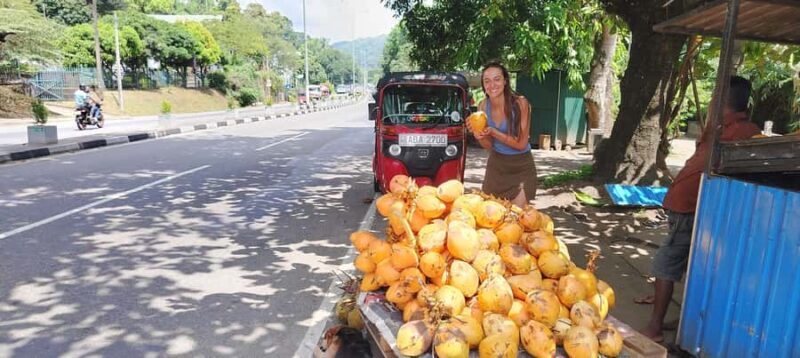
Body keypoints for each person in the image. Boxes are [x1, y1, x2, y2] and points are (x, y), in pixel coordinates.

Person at [638, 76, 761, 342]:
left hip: (691, 209)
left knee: (665, 264)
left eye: (715, 97)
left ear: (721, 101)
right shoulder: (719, 127)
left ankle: (655, 329)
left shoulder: (743, 132)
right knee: (691, 266)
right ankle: (684, 319)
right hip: (682, 206)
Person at [466, 61, 537, 207]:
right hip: (496, 167)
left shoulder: (520, 103)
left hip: (521, 167)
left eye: (497, 79)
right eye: (487, 81)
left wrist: (494, 132)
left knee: (516, 221)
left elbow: (521, 144)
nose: (492, 85)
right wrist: (478, 134)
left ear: (505, 81)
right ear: (483, 85)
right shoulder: (482, 106)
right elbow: (489, 146)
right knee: (491, 221)